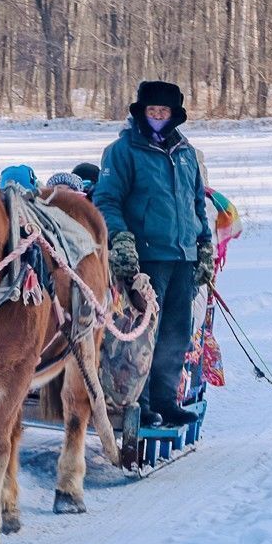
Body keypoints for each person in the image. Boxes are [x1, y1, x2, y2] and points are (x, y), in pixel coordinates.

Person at [92, 79, 212, 426]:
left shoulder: (186, 153)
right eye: (152, 111)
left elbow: (196, 205)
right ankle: (139, 403)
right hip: (146, 258)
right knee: (142, 333)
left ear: (174, 115)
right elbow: (107, 200)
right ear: (141, 113)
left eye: (164, 111)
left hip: (183, 257)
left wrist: (203, 244)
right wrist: (121, 238)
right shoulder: (123, 151)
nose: (158, 116)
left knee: (176, 331)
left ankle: (165, 399)